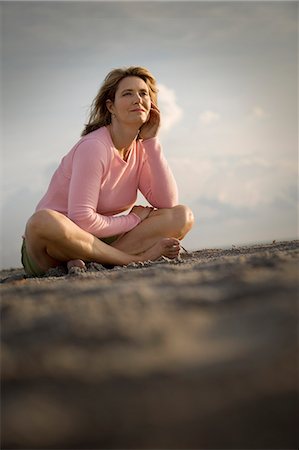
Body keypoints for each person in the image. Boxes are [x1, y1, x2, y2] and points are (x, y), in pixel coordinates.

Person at [21, 66, 194, 277]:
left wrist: (152, 142)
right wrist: (133, 220)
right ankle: (135, 259)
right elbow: (82, 219)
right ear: (110, 107)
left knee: (182, 215)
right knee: (41, 221)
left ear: (151, 104)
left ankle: (96, 262)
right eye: (127, 93)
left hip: (102, 241)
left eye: (143, 93)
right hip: (57, 241)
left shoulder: (141, 147)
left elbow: (167, 203)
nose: (137, 99)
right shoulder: (94, 146)